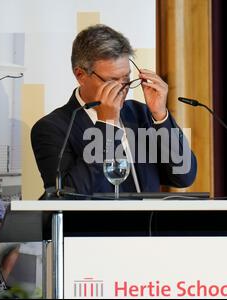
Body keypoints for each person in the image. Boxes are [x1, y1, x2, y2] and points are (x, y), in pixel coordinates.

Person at [31, 24, 197, 197]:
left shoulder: (140, 114)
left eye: (126, 78)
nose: (122, 88)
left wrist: (160, 116)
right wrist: (107, 125)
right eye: (111, 81)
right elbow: (67, 196)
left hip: (149, 223)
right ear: (80, 75)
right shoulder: (52, 128)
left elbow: (184, 176)